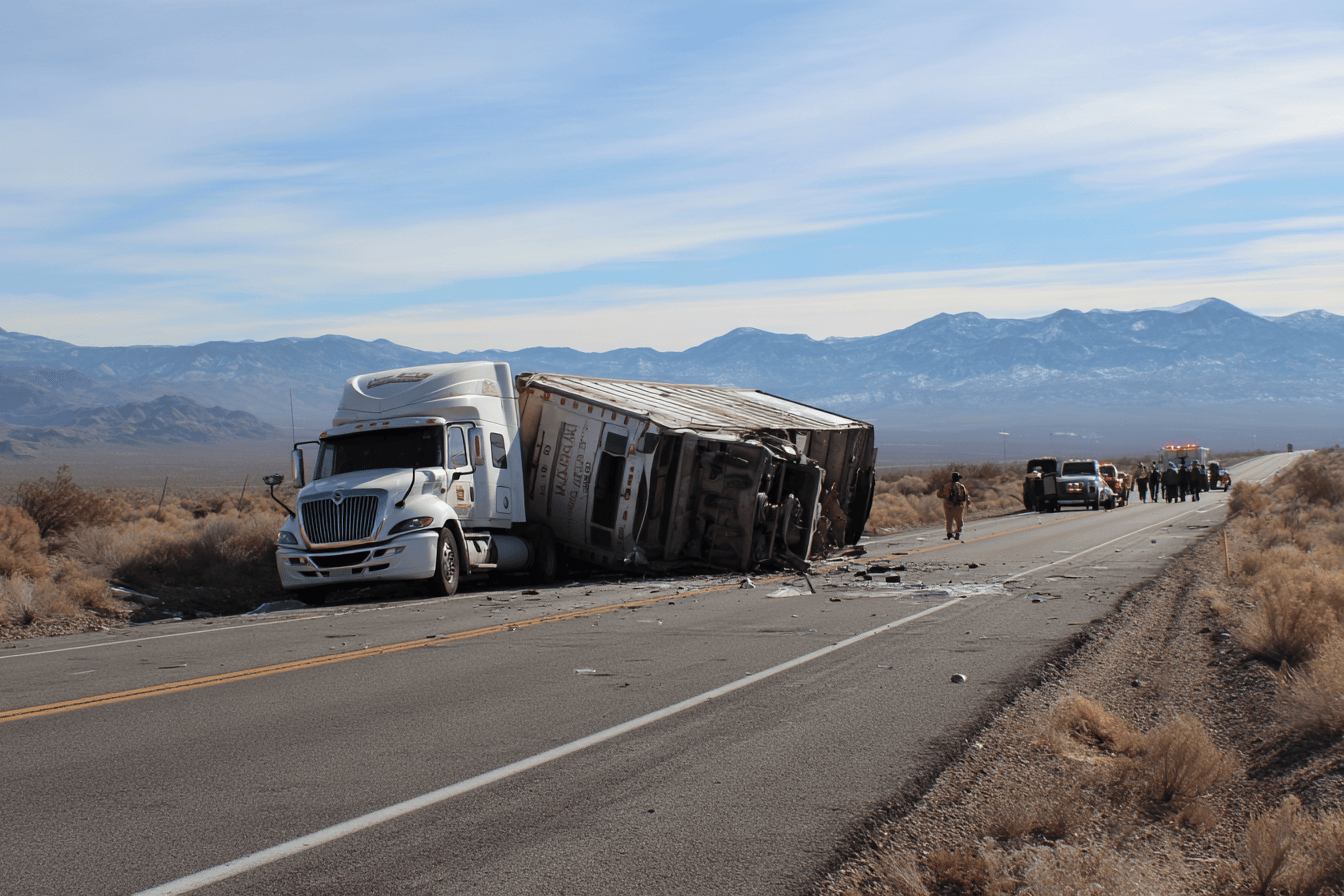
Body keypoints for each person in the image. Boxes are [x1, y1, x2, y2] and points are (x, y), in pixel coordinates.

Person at [937, 471, 972, 540]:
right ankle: (957, 532)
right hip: (958, 506)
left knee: (949, 520)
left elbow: (939, 495)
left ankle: (949, 532)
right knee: (959, 521)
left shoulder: (946, 486)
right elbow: (966, 496)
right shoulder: (961, 486)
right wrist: (968, 504)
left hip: (948, 506)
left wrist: (945, 497)